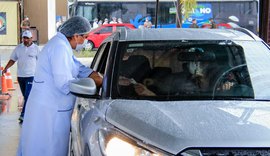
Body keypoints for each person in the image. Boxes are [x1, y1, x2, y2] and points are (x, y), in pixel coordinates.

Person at [16, 16, 103, 156]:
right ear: (76, 35)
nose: (85, 41)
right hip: (50, 111)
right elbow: (64, 84)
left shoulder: (62, 45)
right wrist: (92, 82)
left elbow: (77, 66)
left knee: (41, 146)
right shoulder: (59, 48)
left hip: (49, 108)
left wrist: (93, 74)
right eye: (85, 37)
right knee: (48, 148)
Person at [2, 30, 40, 123]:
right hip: (21, 76)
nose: (25, 40)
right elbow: (13, 59)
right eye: (24, 38)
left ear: (31, 39)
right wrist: (6, 68)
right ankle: (31, 111)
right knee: (25, 96)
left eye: (27, 38)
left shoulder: (36, 49)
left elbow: (41, 62)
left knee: (27, 95)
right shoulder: (18, 48)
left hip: (31, 75)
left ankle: (23, 115)